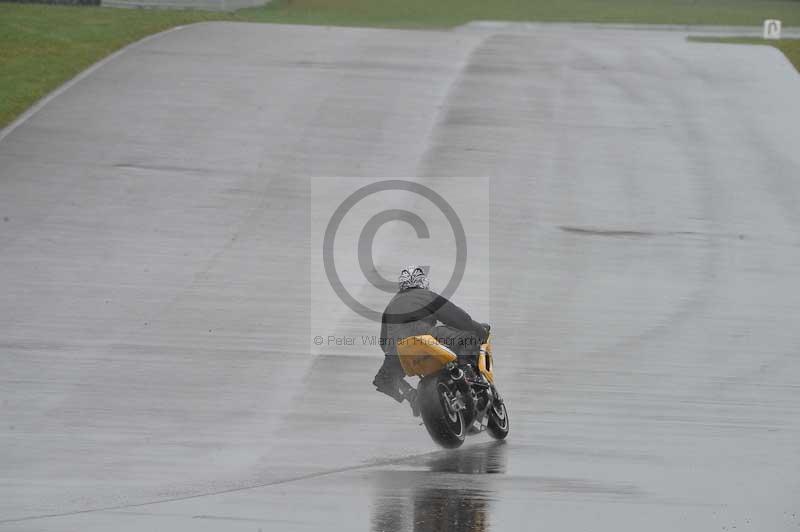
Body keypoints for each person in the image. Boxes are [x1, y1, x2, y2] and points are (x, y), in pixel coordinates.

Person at [373, 265, 490, 416]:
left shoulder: (390, 306)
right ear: (423, 283)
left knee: (385, 378)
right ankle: (468, 375)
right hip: (424, 336)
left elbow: (383, 342)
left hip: (397, 349)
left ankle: (411, 396)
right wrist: (480, 331)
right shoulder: (426, 295)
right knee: (468, 338)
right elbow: (459, 318)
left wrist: (393, 355)